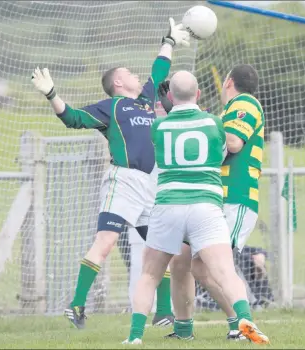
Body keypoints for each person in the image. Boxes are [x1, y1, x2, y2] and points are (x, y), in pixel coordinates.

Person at [31, 18, 190, 329]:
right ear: (118, 83)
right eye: (128, 73)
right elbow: (73, 118)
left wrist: (168, 41)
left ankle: (163, 313)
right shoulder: (113, 106)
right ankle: (76, 306)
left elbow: (158, 71)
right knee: (105, 242)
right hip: (124, 182)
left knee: (161, 247)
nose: (135, 75)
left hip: (150, 185)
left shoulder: (146, 101)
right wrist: (51, 94)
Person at [123, 70, 269, 345]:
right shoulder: (220, 114)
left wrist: (190, 120)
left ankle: (239, 324)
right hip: (210, 201)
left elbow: (234, 143)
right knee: (182, 262)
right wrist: (195, 120)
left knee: (210, 267)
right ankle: (184, 328)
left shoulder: (244, 103)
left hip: (233, 197)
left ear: (228, 82)